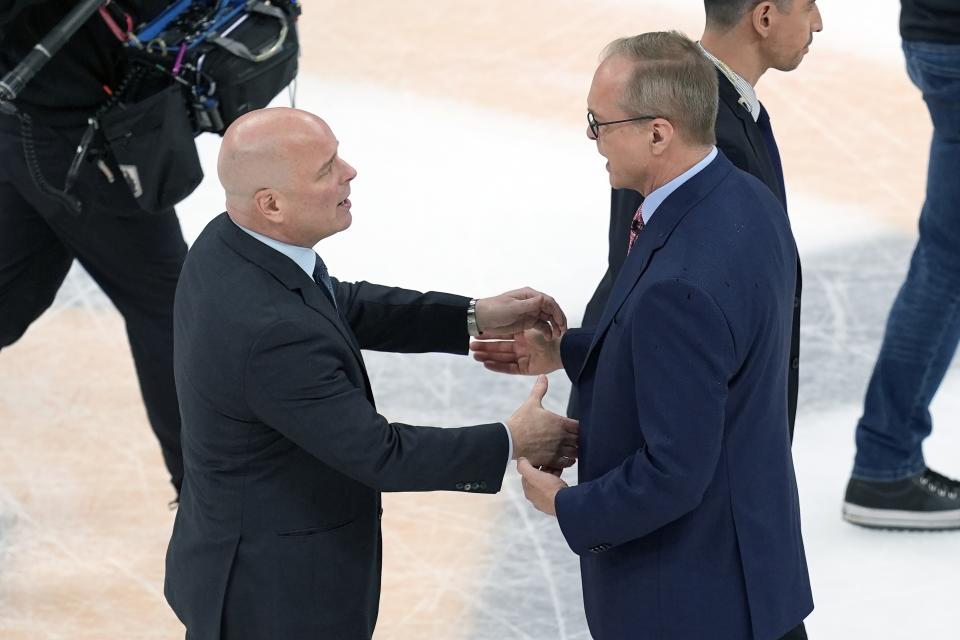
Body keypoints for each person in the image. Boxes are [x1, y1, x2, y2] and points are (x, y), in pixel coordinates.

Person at [164, 107, 580, 639]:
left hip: (245, 560)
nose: (349, 172)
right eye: (325, 168)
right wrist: (512, 440)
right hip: (276, 598)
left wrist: (473, 315)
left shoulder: (231, 243)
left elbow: (338, 304)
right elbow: (379, 455)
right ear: (271, 204)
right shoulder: (269, 332)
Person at [473, 32, 812, 639]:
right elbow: (715, 360)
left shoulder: (677, 284)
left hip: (688, 600)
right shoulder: (749, 201)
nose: (592, 138)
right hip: (755, 574)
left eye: (599, 123)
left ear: (658, 133)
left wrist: (563, 503)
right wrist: (572, 351)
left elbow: (673, 472)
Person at [571, 0, 823, 444]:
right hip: (689, 440)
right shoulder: (701, 132)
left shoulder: (687, 101)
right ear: (764, 17)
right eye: (808, 6)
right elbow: (663, 288)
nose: (818, 23)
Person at [0, 0, 187, 495]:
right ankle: (219, 502)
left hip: (34, 116)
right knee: (172, 307)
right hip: (70, 130)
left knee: (8, 297)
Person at [842, 0, 960, 530]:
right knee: (947, 265)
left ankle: (886, 457)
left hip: (935, 36)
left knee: (947, 259)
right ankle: (885, 459)